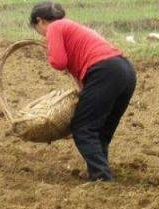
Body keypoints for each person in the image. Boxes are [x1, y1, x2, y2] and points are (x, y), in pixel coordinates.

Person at [30, 1, 136, 181]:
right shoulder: (72, 26)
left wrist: (49, 50)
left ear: (39, 21)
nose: (41, 34)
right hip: (125, 71)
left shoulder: (55, 27)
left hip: (104, 72)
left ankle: (102, 178)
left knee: (82, 127)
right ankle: (99, 173)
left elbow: (59, 61)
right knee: (100, 129)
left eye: (36, 29)